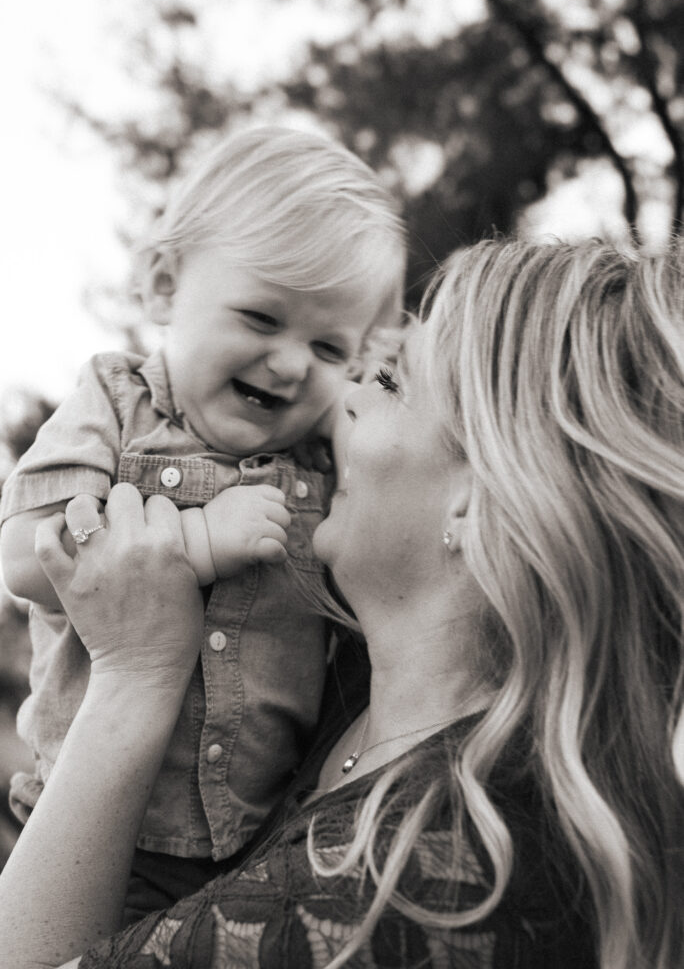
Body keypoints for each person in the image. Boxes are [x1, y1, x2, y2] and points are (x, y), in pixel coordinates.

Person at [1, 237, 682, 969]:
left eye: (389, 382)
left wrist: (135, 674)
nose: (342, 398)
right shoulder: (354, 696)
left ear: (478, 504)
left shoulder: (404, 902)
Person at [0, 125, 406, 917]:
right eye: (260, 318)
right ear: (162, 285)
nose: (289, 363)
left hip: (258, 836)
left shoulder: (323, 460)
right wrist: (200, 541)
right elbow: (25, 555)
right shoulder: (117, 405)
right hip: (102, 824)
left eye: (328, 347)